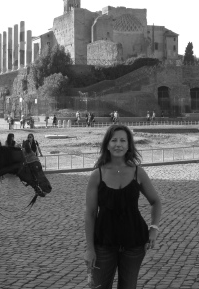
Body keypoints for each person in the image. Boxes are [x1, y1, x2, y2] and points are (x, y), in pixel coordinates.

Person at [84, 124, 162, 289]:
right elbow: (90, 214)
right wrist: (89, 249)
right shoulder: (97, 175)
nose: (118, 144)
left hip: (134, 244)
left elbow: (156, 201)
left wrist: (154, 228)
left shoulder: (138, 173)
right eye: (114, 140)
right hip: (103, 244)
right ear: (107, 144)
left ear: (128, 145)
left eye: (122, 141)